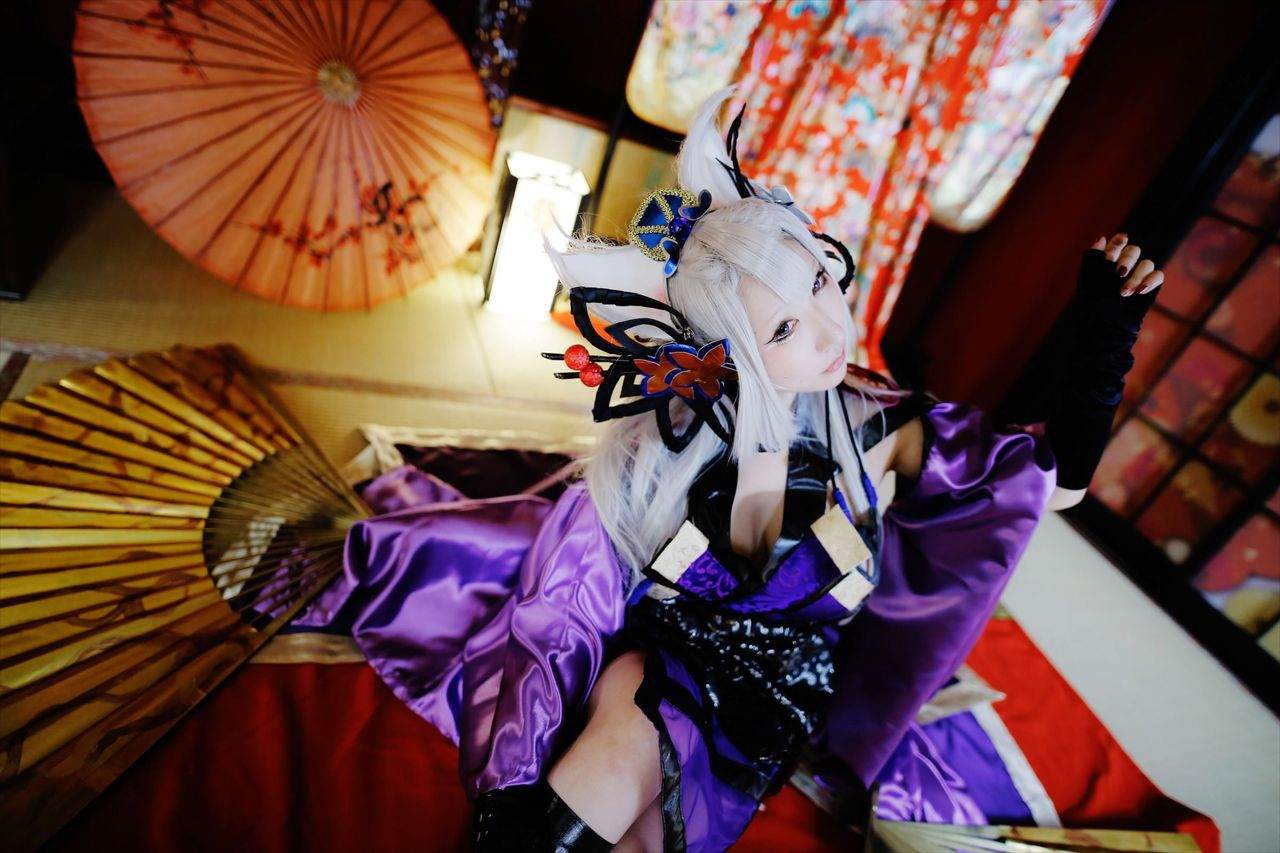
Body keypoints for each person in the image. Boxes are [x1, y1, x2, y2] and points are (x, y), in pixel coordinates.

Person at [295, 84, 1164, 852]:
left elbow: (1050, 486)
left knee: (648, 819)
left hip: (778, 685)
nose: (828, 331)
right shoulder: (662, 449)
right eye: (781, 329)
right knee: (619, 737)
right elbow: (563, 605)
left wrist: (1104, 337)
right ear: (723, 347)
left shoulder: (880, 424)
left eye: (818, 284)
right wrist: (512, 763)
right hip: (660, 645)